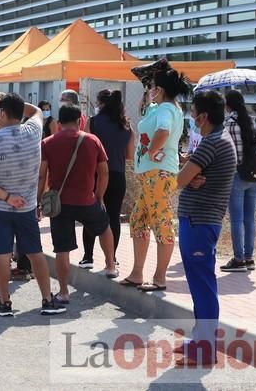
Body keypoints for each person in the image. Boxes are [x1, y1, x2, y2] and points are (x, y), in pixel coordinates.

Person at [0, 93, 66, 317]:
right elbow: (35, 111)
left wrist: (6, 197)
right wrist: (12, 103)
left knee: (2, 255)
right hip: (26, 207)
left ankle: (4, 302)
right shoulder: (33, 132)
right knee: (35, 253)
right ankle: (47, 299)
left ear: (3, 114)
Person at [175, 90, 237, 366]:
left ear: (204, 116)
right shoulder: (216, 139)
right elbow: (188, 173)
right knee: (199, 284)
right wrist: (189, 171)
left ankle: (206, 349)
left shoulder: (213, 142)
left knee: (202, 286)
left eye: (194, 112)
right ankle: (200, 339)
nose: (192, 117)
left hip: (200, 221)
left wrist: (187, 175)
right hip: (198, 220)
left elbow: (179, 179)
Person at [39, 104, 119, 304]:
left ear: (58, 123)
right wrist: (99, 196)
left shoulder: (48, 143)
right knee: (104, 228)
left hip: (59, 204)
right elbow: (104, 172)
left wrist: (39, 199)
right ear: (80, 121)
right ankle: (110, 266)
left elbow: (42, 175)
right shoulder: (92, 140)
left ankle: (64, 292)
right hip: (86, 199)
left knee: (61, 249)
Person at [121, 69, 189, 292]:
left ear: (159, 90)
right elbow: (148, 112)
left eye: (152, 87)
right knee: (138, 220)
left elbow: (163, 131)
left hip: (158, 173)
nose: (150, 90)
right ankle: (137, 273)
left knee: (162, 221)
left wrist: (151, 151)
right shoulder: (162, 108)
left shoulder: (167, 109)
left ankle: (159, 278)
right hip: (153, 175)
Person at [80, 90, 135, 269]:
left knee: (91, 214)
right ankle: (112, 258)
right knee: (113, 217)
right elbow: (129, 155)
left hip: (95, 174)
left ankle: (88, 257)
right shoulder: (126, 126)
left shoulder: (93, 122)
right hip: (118, 175)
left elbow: (85, 150)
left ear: (100, 103)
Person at [221, 90, 256, 273]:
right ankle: (249, 258)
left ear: (228, 105)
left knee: (237, 220)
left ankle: (239, 259)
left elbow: (225, 152)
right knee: (249, 219)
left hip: (236, 175)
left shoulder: (228, 123)